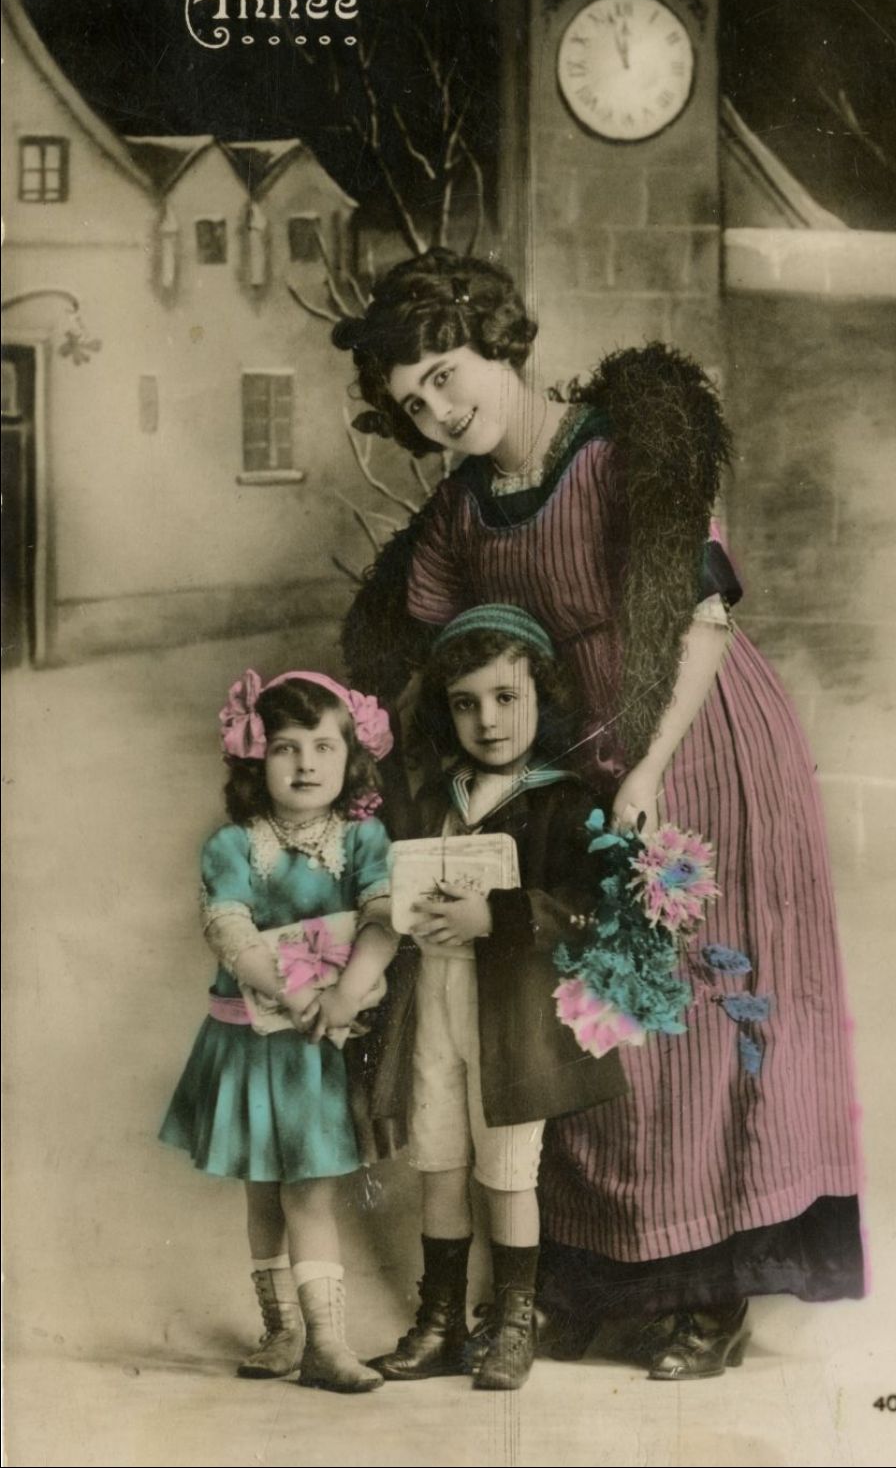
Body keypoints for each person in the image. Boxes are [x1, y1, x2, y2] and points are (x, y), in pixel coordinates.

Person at [333, 248, 865, 1379]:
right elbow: (419, 656)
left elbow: (705, 620)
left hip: (696, 736)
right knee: (576, 1009)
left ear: (494, 340)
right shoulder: (462, 509)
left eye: (443, 372)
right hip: (570, 760)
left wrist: (649, 768)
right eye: (412, 402)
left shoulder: (626, 449)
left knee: (699, 1013)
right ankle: (594, 1285)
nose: (437, 409)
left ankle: (710, 1295)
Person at [370, 604, 627, 1392]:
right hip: (434, 1007)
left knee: (509, 1173)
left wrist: (499, 916)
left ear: (542, 697)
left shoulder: (563, 801)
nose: (487, 720)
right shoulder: (434, 798)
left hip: (509, 1023)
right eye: (466, 703)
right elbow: (396, 877)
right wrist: (390, 904)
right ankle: (441, 1320)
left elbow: (590, 907)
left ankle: (513, 1323)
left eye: (507, 698)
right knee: (440, 1165)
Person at [158, 669, 399, 1394]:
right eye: (286, 748)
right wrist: (292, 991)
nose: (305, 765)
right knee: (263, 1190)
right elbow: (229, 928)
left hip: (321, 1047)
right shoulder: (234, 845)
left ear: (351, 757)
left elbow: (385, 918)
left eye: (324, 747)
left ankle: (327, 1342)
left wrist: (347, 992)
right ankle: (282, 1330)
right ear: (254, 758)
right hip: (253, 1039)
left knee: (311, 1193)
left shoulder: (364, 840)